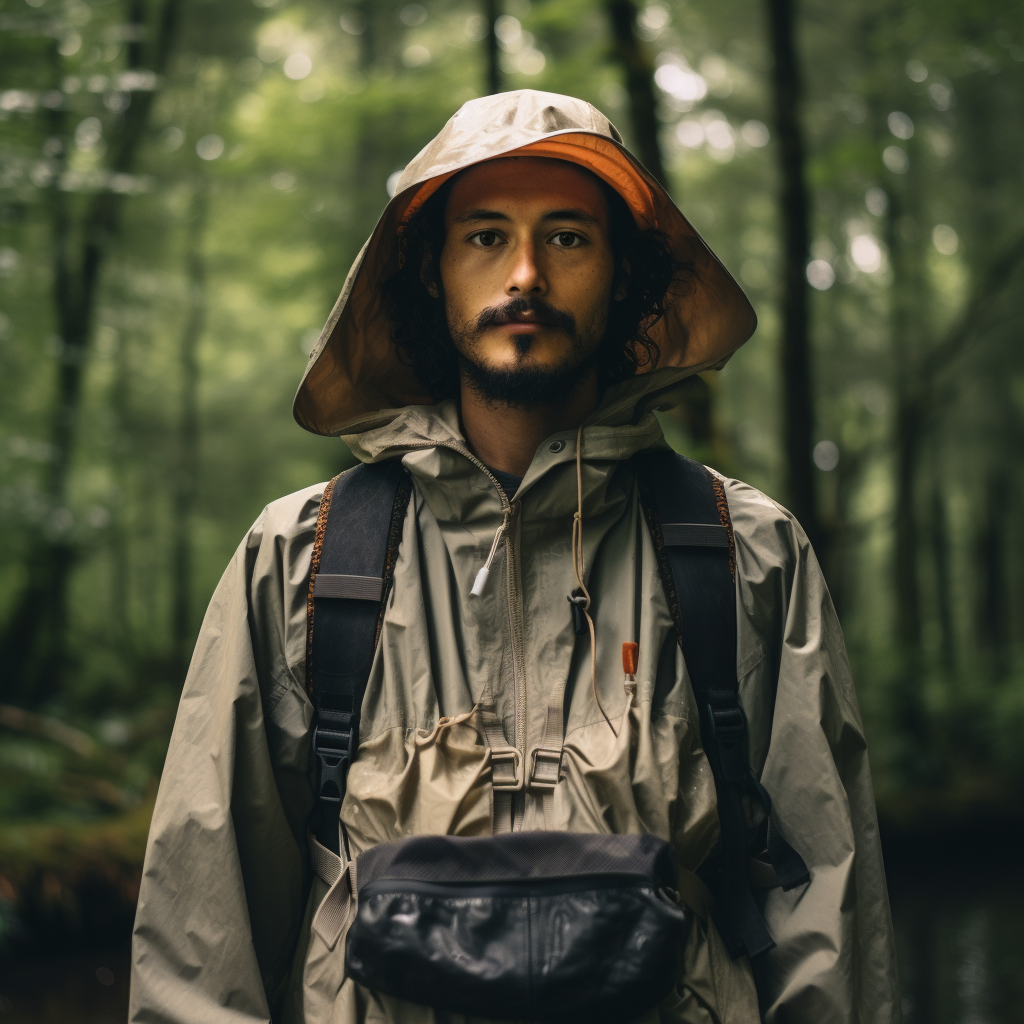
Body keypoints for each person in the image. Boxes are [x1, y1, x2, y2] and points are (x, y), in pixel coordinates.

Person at [129, 90, 900, 1024]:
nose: (526, 273)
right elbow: (201, 940)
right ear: (432, 275)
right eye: (486, 236)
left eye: (568, 238)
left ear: (625, 276)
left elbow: (829, 918)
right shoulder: (301, 561)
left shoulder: (747, 556)